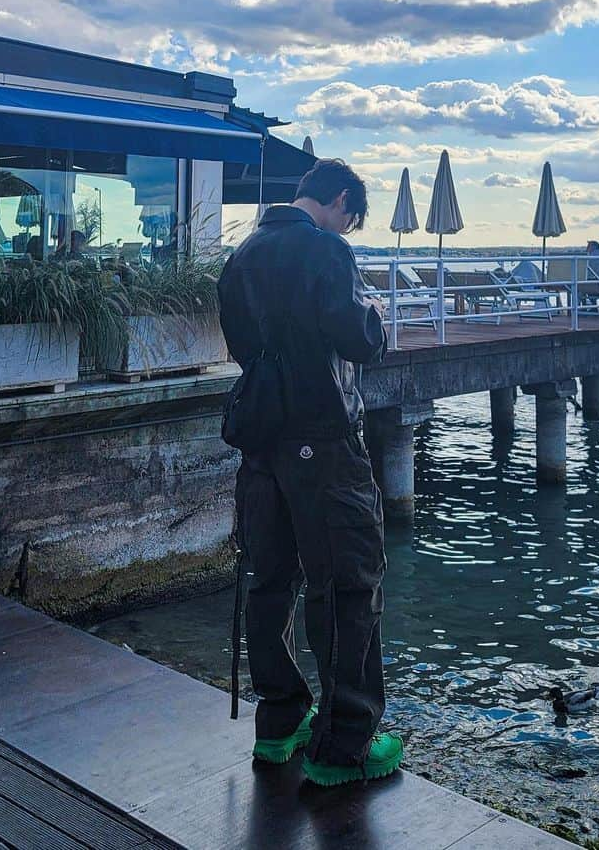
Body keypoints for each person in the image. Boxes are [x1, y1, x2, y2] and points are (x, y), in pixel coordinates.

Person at [217, 158, 403, 787]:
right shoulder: (325, 251)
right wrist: (373, 310)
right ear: (342, 201)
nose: (347, 229)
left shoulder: (243, 254)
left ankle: (278, 723)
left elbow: (242, 346)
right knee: (347, 583)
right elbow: (357, 338)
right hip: (322, 441)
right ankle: (343, 746)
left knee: (270, 577)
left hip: (260, 442)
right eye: (351, 219)